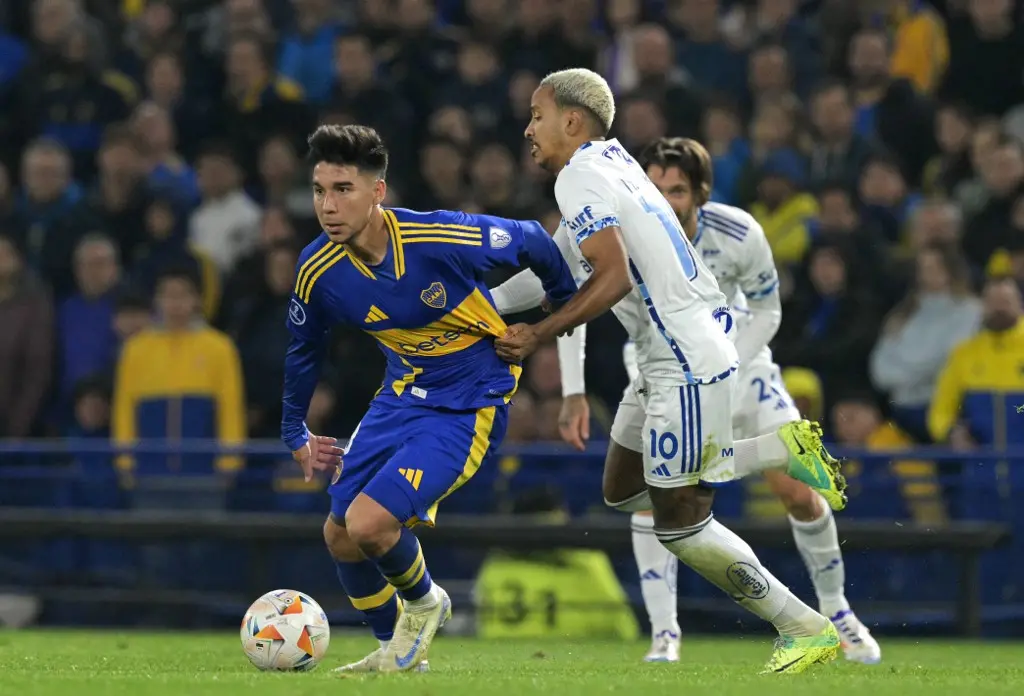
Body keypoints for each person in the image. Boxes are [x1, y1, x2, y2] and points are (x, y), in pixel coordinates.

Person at [491, 68, 844, 674]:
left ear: (572, 121)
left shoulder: (579, 177)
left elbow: (609, 278)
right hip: (674, 352)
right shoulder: (613, 164)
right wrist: (485, 305)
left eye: (537, 115)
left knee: (679, 524)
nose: (528, 128)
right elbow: (560, 268)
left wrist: (538, 335)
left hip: (683, 357)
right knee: (622, 490)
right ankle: (777, 448)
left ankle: (805, 628)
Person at [281, 124, 577, 673]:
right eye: (319, 190)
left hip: (470, 400)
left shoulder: (437, 237)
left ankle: (426, 602)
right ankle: (397, 652)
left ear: (377, 192)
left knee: (370, 524)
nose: (328, 206)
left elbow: (535, 238)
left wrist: (555, 317)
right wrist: (294, 429)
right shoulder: (317, 268)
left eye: (343, 189)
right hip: (399, 396)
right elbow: (304, 348)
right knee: (340, 535)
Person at [629, 137, 880, 663]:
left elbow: (768, 310)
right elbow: (629, 323)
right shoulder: (628, 237)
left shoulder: (739, 232)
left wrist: (726, 364)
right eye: (654, 188)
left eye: (676, 189)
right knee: (656, 501)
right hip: (673, 385)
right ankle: (665, 634)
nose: (664, 200)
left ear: (700, 193)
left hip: (745, 375)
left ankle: (838, 612)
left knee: (799, 492)